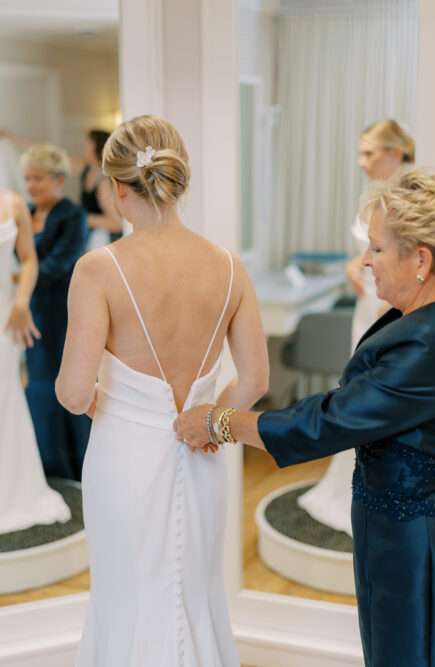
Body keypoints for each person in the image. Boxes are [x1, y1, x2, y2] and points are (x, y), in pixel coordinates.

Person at [175, 170, 435, 667]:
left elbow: (328, 422)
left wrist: (221, 421)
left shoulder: (433, 342)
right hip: (400, 534)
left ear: (421, 260)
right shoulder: (427, 321)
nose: (366, 260)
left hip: (426, 547)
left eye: (377, 248)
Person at [55, 114, 269, 666]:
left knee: (126, 597)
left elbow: (74, 392)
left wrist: (103, 399)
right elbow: (255, 380)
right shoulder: (228, 267)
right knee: (192, 594)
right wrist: (208, 422)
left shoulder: (98, 269)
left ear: (117, 187)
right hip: (200, 460)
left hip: (122, 459)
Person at [298, 119, 416, 536]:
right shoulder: (375, 198)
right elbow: (369, 249)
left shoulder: (410, 198)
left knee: (382, 388)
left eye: (369, 153)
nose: (362, 162)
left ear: (395, 153)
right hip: (367, 303)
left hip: (389, 303)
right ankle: (353, 482)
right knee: (357, 387)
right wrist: (355, 263)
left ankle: (382, 484)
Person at [0, 190, 71, 533]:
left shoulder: (13, 204)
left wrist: (22, 301)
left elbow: (29, 259)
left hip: (5, 317)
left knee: (6, 395)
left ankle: (13, 491)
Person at [22, 144, 90, 481]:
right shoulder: (25, 212)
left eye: (38, 179)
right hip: (29, 311)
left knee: (60, 388)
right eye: (28, 179)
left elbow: (60, 264)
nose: (32, 186)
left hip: (60, 312)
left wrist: (17, 279)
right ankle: (46, 468)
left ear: (59, 179)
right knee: (37, 388)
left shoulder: (72, 215)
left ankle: (75, 470)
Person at [74, 129, 123, 245]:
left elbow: (117, 223)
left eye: (87, 143)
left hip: (102, 241)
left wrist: (81, 218)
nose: (83, 146)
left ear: (97, 146)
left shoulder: (103, 181)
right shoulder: (87, 169)